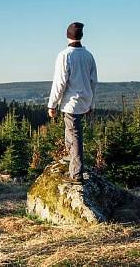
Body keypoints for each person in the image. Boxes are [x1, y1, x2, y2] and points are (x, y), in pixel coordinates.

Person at [47, 22, 98, 184]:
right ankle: (73, 161)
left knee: (74, 135)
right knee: (71, 133)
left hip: (71, 103)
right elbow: (93, 82)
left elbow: (60, 82)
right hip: (85, 101)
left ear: (67, 35)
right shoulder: (88, 55)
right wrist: (91, 104)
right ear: (81, 36)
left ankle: (76, 173)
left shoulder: (65, 55)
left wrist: (52, 104)